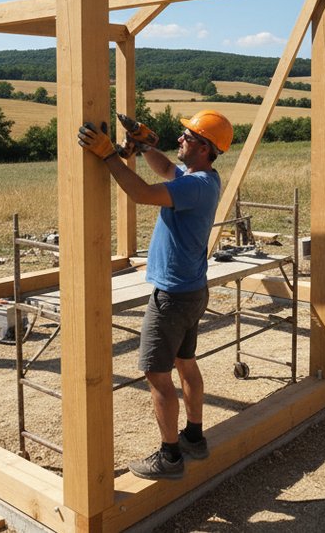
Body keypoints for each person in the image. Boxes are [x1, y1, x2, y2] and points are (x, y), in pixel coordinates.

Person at [76, 109, 234, 480]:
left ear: (204, 147)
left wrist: (109, 155)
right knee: (186, 364)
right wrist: (145, 146)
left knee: (156, 373)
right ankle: (193, 437)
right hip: (192, 291)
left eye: (187, 136)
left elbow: (142, 193)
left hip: (173, 298)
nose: (180, 139)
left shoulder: (194, 187)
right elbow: (165, 170)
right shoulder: (203, 179)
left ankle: (170, 457)